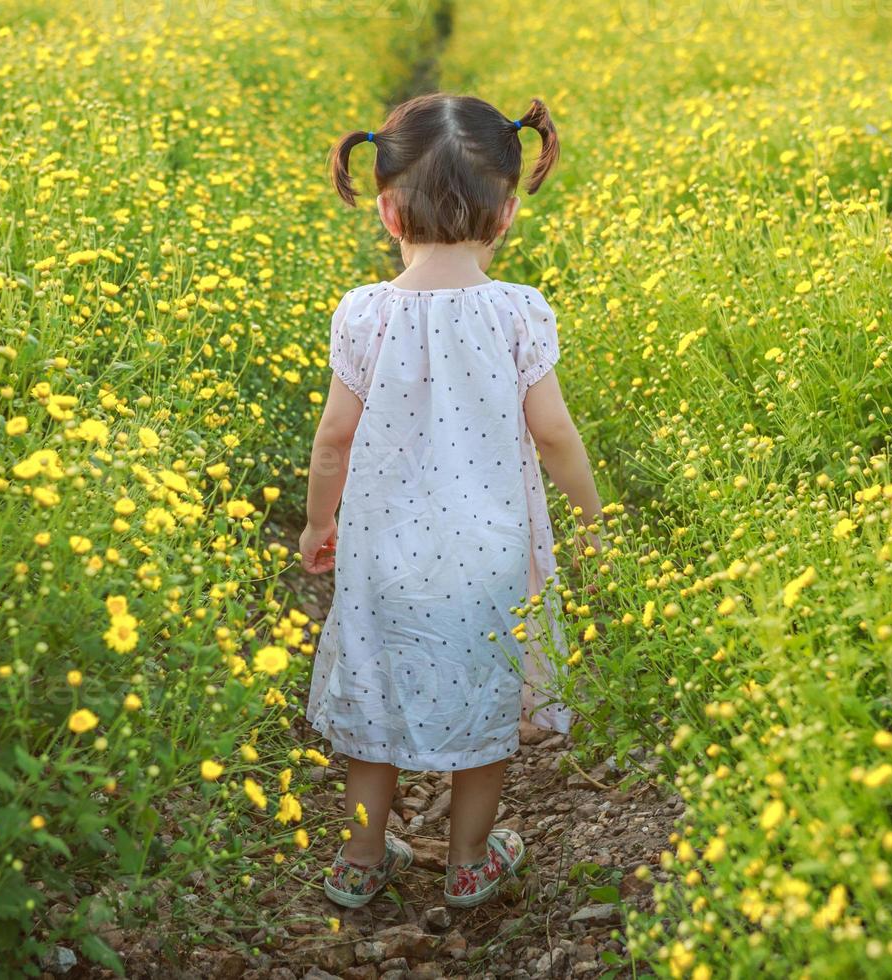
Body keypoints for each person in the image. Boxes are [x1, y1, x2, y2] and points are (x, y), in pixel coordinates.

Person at [299, 93, 602, 910]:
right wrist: (594, 524)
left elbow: (333, 440)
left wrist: (318, 522)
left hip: (384, 555)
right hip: (492, 553)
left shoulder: (363, 313)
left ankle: (361, 857)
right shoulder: (518, 312)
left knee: (376, 690)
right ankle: (470, 859)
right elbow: (556, 438)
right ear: (507, 212)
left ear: (387, 210)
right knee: (489, 695)